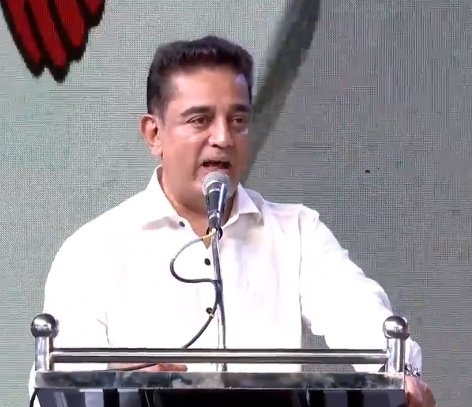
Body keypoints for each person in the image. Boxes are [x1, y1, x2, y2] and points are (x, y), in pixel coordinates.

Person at [28, 36, 436, 407]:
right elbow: (55, 390)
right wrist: (117, 386)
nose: (223, 138)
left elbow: (362, 318)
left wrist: (402, 376)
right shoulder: (93, 249)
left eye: (238, 120)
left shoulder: (296, 232)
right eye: (200, 120)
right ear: (154, 134)